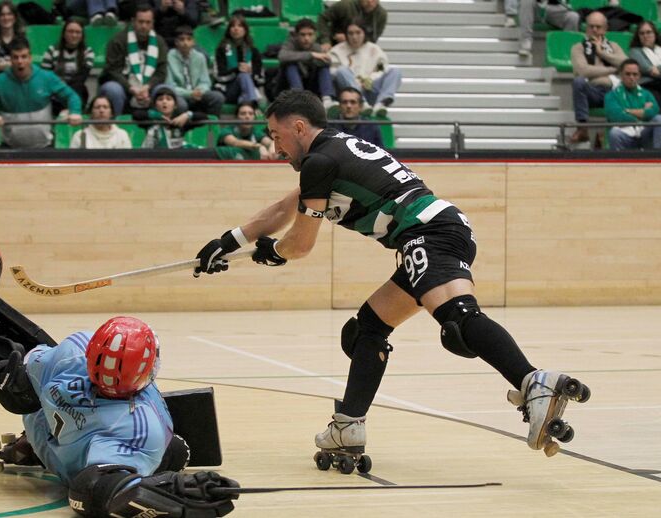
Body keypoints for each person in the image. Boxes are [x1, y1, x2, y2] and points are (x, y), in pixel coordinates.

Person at [192, 88, 591, 461]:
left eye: (276, 135)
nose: (275, 146)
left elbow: (300, 244)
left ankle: (533, 381)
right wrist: (229, 241)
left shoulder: (319, 161)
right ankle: (348, 426)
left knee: (458, 320)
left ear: (298, 127)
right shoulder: (333, 152)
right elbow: (284, 209)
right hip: (438, 229)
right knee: (366, 329)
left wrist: (272, 253)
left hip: (428, 233)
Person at [0, 244, 240, 517]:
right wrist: (171, 493)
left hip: (42, 418)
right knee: (173, 452)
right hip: (63, 449)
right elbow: (96, 491)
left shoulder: (76, 351)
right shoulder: (139, 429)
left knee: (27, 362)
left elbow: (24, 373)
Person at [0, 37, 82, 149]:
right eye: (15, 57)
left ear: (30, 58)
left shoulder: (47, 77)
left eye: (24, 56)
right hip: (10, 147)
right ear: (10, 59)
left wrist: (75, 111)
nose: (20, 61)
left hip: (45, 147)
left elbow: (71, 96)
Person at [98, 5, 171, 116]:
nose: (144, 26)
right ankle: (115, 123)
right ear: (133, 21)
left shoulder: (159, 42)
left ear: (153, 23)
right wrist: (131, 88)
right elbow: (113, 71)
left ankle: (162, 124)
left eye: (148, 22)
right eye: (140, 22)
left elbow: (161, 72)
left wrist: (147, 87)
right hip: (123, 87)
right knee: (113, 89)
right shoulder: (118, 40)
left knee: (167, 92)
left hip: (149, 88)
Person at [570, 11, 626, 147]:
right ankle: (582, 128)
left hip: (614, 92)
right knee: (578, 81)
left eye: (598, 27)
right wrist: (613, 69)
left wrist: (601, 53)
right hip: (593, 91)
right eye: (591, 26)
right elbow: (583, 71)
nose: (594, 30)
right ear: (586, 28)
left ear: (605, 29)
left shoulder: (613, 46)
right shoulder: (578, 48)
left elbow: (626, 64)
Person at [329, 20, 400, 118]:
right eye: (351, 33)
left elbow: (382, 69)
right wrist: (356, 82)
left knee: (395, 71)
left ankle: (381, 104)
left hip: (369, 88)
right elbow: (332, 73)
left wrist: (370, 79)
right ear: (346, 35)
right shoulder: (337, 51)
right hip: (348, 94)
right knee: (341, 71)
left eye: (358, 33)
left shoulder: (375, 50)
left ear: (364, 33)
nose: (354, 37)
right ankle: (362, 103)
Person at [166, 25, 224, 116]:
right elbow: (169, 85)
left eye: (189, 39)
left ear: (193, 42)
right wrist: (189, 94)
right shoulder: (169, 57)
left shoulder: (200, 57)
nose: (185, 43)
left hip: (197, 93)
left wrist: (200, 91)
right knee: (181, 105)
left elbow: (205, 82)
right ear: (176, 42)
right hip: (179, 94)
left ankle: (210, 123)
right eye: (182, 39)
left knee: (217, 97)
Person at [279, 18, 335, 109]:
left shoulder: (316, 46)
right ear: (296, 35)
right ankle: (299, 99)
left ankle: (327, 99)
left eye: (310, 34)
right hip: (287, 88)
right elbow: (282, 56)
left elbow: (328, 62)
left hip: (310, 87)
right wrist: (311, 55)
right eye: (303, 35)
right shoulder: (290, 44)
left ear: (315, 35)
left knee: (323, 65)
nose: (306, 38)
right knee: (290, 65)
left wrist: (322, 57)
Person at [605, 59, 661, 150]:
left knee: (659, 119)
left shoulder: (647, 94)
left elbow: (654, 111)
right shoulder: (611, 95)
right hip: (625, 135)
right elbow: (616, 116)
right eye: (628, 74)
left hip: (644, 134)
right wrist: (643, 112)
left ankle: (658, 156)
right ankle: (618, 159)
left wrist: (627, 111)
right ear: (621, 75)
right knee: (614, 133)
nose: (631, 77)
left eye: (635, 74)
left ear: (639, 76)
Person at [41, 19, 94, 114]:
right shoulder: (51, 50)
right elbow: (45, 76)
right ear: (64, 33)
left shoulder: (88, 51)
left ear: (82, 35)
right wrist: (59, 89)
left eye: (78, 32)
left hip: (76, 90)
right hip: (55, 89)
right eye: (70, 31)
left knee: (80, 87)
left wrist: (67, 93)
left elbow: (81, 77)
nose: (74, 35)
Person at [212, 15, 264, 109]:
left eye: (240, 26)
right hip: (228, 90)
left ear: (245, 30)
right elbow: (218, 76)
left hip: (248, 89)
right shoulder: (221, 49)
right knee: (243, 75)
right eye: (233, 26)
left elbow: (261, 79)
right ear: (229, 30)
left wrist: (251, 72)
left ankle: (247, 104)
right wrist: (236, 70)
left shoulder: (253, 51)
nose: (236, 29)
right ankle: (253, 105)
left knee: (244, 77)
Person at [140, 86, 206, 148]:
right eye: (160, 99)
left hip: (176, 155)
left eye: (168, 99)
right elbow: (137, 115)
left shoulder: (180, 121)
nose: (164, 102)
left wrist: (188, 115)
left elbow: (204, 117)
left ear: (175, 105)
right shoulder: (150, 120)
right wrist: (156, 115)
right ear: (155, 105)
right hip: (152, 155)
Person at [512, 0, 579, 57]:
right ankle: (525, 42)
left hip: (555, 8)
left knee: (573, 17)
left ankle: (566, 52)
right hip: (536, 7)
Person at [0, 1, 26, 86]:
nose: (6, 18)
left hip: (16, 83)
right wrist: (14, 65)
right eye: (2, 15)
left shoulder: (22, 40)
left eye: (9, 14)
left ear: (15, 17)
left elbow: (25, 63)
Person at [318, 0, 387, 49]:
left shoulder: (381, 15)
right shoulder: (345, 5)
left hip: (360, 47)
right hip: (334, 43)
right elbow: (323, 18)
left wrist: (349, 40)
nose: (370, 1)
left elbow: (373, 39)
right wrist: (325, 40)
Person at [628, 21, 661, 104]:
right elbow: (648, 70)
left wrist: (657, 68)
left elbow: (656, 70)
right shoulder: (635, 52)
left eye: (648, 32)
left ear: (655, 34)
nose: (645, 36)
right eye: (642, 33)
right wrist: (655, 69)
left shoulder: (659, 49)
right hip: (647, 85)